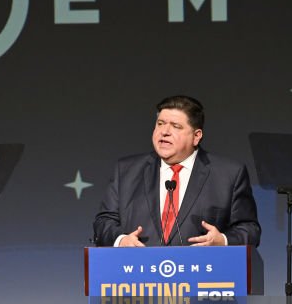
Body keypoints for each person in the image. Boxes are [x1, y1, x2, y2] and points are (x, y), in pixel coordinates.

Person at [93, 94, 260, 248]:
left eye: (176, 126)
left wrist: (222, 240)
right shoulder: (127, 171)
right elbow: (103, 222)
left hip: (201, 268)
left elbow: (250, 230)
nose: (164, 132)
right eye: (160, 124)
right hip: (138, 269)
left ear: (196, 136)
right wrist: (121, 240)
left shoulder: (228, 174)